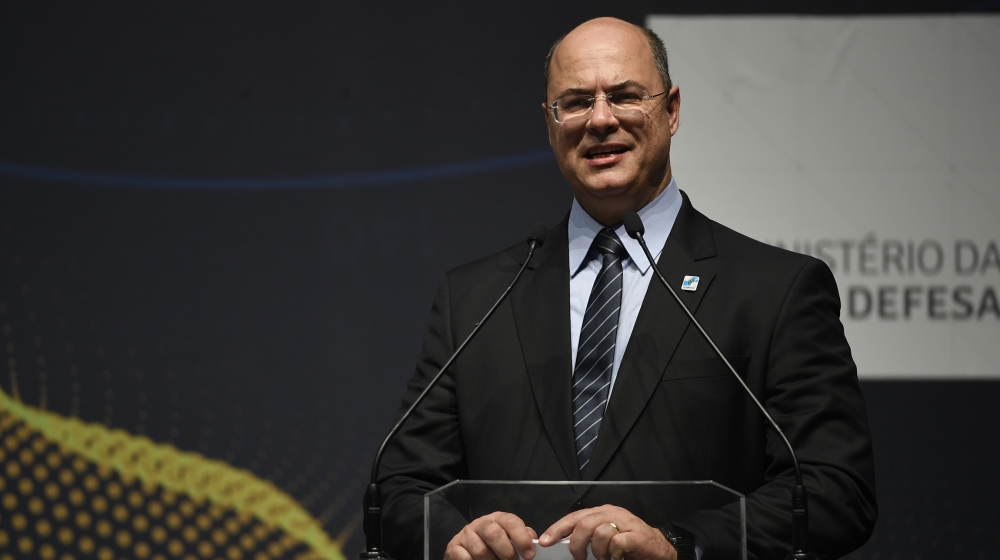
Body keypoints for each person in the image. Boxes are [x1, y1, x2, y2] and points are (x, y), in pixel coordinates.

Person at [378, 17, 876, 560]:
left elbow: (833, 493)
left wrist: (680, 546)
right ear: (549, 124)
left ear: (672, 110)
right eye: (573, 102)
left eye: (624, 96)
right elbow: (400, 490)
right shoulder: (473, 299)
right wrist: (453, 537)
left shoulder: (775, 291)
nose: (599, 120)